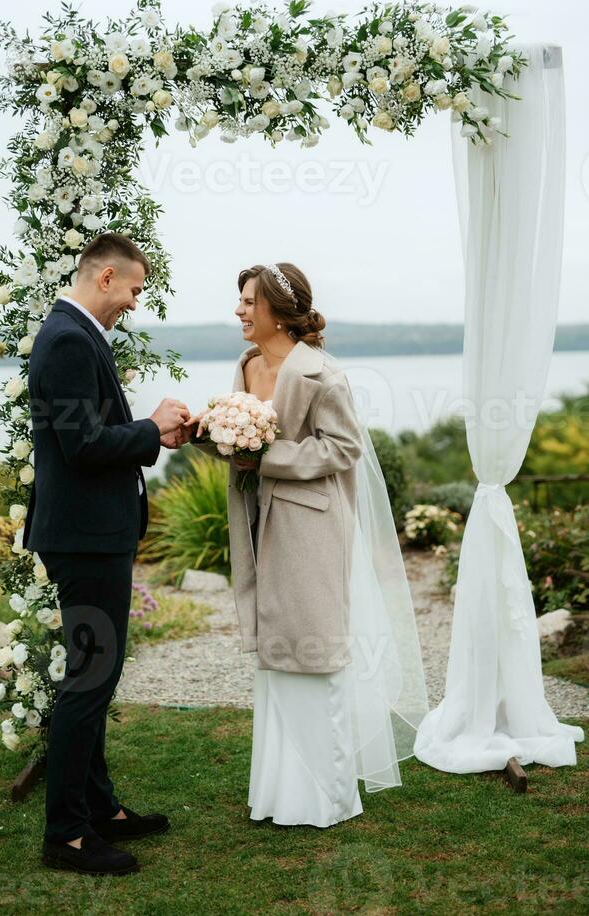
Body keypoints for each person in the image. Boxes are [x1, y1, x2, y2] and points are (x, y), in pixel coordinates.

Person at [186, 262, 429, 827]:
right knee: (275, 652)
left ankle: (327, 795)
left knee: (314, 651)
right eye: (239, 300)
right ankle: (277, 793)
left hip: (311, 527)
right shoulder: (245, 365)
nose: (240, 310)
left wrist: (266, 458)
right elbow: (239, 442)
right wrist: (208, 437)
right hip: (255, 521)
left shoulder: (325, 375)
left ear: (278, 310)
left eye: (249, 301)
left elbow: (342, 450)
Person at [24, 232, 190, 875]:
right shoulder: (68, 338)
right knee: (89, 681)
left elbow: (87, 436)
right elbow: (82, 445)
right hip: (85, 540)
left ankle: (100, 808)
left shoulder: (76, 332)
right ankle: (66, 835)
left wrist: (151, 431)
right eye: (133, 289)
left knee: (94, 676)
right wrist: (151, 428)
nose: (133, 302)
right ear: (104, 278)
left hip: (92, 535)